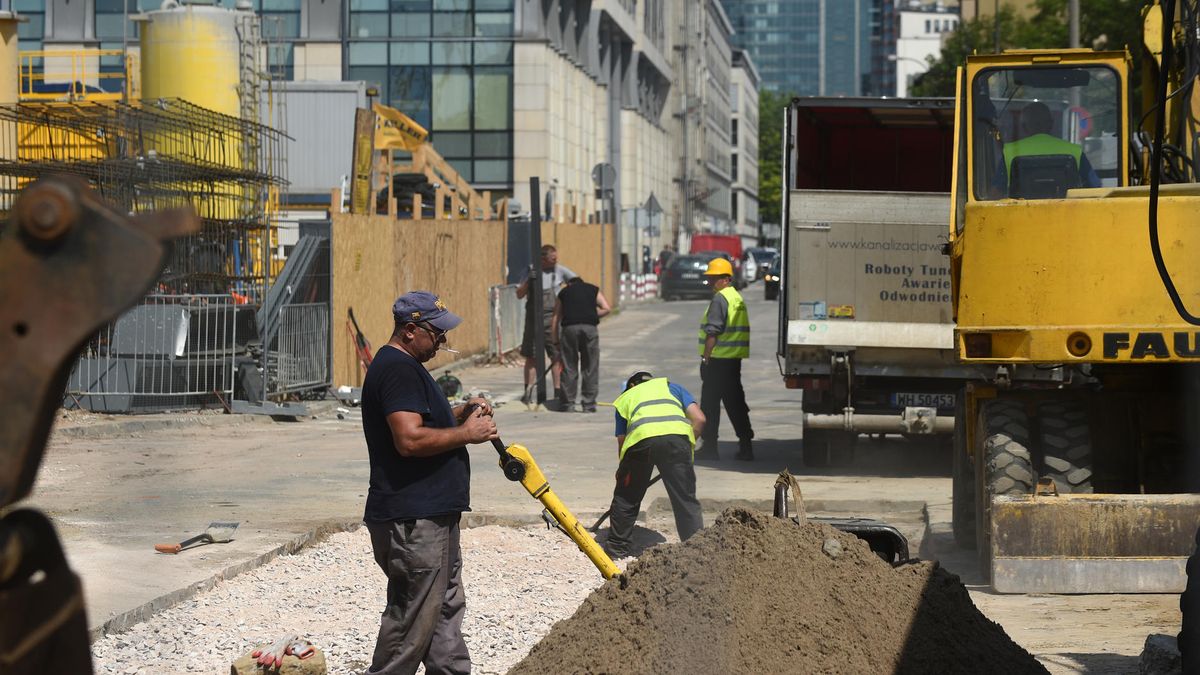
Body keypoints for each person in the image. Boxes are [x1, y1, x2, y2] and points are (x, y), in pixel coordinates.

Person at [360, 291, 499, 675]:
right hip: (413, 519)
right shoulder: (397, 369)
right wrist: (468, 434)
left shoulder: (407, 368)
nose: (442, 340)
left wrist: (461, 412)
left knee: (444, 607)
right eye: (436, 333)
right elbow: (409, 439)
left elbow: (425, 421)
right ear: (409, 331)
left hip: (432, 515)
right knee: (412, 620)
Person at [605, 370, 706, 558]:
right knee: (685, 499)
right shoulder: (673, 387)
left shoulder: (626, 397)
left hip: (640, 443)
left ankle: (617, 549)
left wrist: (624, 473)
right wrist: (685, 448)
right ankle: (696, 552)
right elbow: (699, 419)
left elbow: (622, 439)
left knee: (627, 496)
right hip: (677, 441)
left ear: (632, 386)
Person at [696, 256, 755, 461]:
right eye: (710, 278)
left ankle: (710, 447)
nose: (710, 282)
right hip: (732, 362)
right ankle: (746, 444)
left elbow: (713, 333)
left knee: (710, 405)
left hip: (718, 361)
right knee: (735, 403)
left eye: (714, 278)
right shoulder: (736, 298)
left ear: (726, 278)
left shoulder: (720, 299)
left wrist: (705, 359)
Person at [516, 244, 576, 405]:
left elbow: (577, 282)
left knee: (555, 355)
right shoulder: (529, 270)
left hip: (552, 319)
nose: (556, 261)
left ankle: (557, 392)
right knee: (531, 357)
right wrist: (530, 280)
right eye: (553, 258)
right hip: (533, 320)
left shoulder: (560, 271)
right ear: (542, 259)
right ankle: (528, 392)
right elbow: (519, 294)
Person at [999, 101, 1101, 194]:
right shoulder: (1074, 151)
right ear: (1051, 124)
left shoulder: (1009, 151)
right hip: (1068, 212)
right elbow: (1094, 188)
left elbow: (995, 192)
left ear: (1024, 126)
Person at [551, 276, 611, 413]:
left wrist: (555, 341)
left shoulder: (564, 292)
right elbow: (607, 308)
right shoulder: (592, 289)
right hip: (589, 329)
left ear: (569, 284)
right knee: (590, 366)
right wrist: (592, 314)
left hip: (569, 329)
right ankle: (588, 404)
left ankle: (568, 404)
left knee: (569, 366)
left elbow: (555, 318)